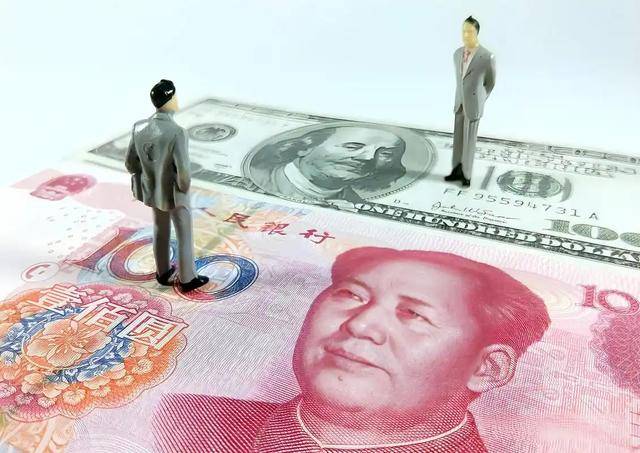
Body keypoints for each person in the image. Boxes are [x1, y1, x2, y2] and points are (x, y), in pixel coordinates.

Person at [154, 247, 551, 452]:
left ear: (488, 368)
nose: (360, 325)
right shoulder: (185, 420)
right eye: (350, 295)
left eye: (412, 314)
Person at [125, 79, 209, 292]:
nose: (177, 99)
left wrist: (150, 173)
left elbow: (130, 164)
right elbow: (183, 171)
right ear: (169, 99)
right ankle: (188, 278)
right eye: (175, 96)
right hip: (174, 192)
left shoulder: (138, 127)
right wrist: (184, 189)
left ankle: (162, 272)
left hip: (152, 190)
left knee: (159, 229)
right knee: (184, 234)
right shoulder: (177, 132)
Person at [249, 126, 406, 203]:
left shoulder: (357, 206)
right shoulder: (255, 177)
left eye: (385, 154)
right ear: (306, 147)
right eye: (352, 146)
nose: (368, 157)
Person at [445, 16, 496, 187]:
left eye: (470, 31)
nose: (466, 35)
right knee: (458, 140)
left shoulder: (487, 56)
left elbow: (490, 83)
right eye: (464, 31)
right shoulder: (457, 54)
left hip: (474, 105)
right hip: (459, 103)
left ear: (477, 32)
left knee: (469, 142)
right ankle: (456, 170)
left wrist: (481, 99)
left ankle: (467, 175)